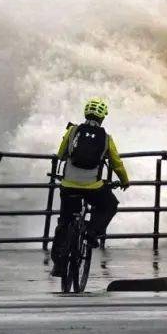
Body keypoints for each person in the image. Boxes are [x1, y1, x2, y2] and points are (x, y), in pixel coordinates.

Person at [50, 97, 130, 277]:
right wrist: (125, 181)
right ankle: (91, 234)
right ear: (102, 118)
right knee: (109, 205)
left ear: (85, 113)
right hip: (93, 187)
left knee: (64, 222)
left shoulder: (72, 131)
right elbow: (116, 164)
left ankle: (59, 265)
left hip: (69, 186)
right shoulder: (106, 138)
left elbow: (61, 154)